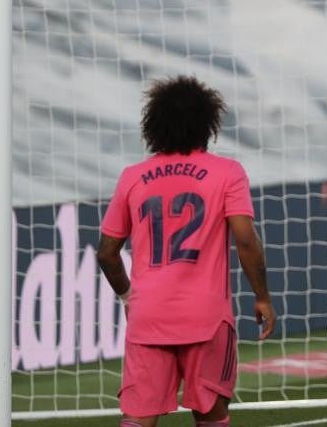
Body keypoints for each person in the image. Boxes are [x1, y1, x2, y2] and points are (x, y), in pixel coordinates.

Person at [96, 76, 276, 427]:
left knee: (137, 419)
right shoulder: (227, 172)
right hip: (206, 318)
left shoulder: (132, 177)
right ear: (208, 123)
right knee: (210, 415)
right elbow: (246, 240)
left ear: (154, 125)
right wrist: (262, 297)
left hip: (148, 317)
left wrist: (129, 297)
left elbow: (106, 252)